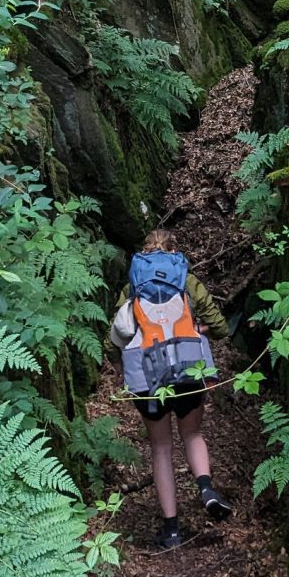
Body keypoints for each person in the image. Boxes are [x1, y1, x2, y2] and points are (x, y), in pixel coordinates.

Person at [109, 227, 233, 550]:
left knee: (161, 447)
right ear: (174, 251)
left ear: (145, 251)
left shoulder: (132, 287)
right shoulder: (186, 280)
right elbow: (220, 327)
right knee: (192, 434)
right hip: (189, 371)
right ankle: (206, 490)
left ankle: (172, 531)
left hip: (149, 381)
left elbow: (117, 337)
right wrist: (198, 329)